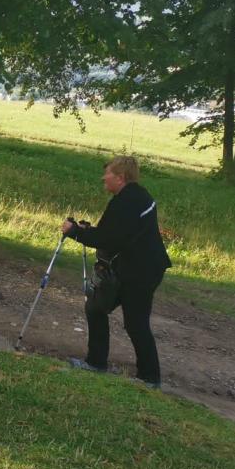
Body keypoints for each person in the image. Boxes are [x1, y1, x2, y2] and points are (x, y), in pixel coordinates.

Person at [62, 155, 171, 388]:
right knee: (96, 307)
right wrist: (87, 231)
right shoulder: (134, 196)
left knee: (135, 322)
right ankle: (96, 363)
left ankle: (150, 378)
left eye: (108, 174)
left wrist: (75, 232)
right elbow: (115, 233)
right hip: (132, 267)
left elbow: (109, 239)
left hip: (141, 271)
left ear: (120, 177)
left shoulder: (126, 202)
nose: (104, 178)